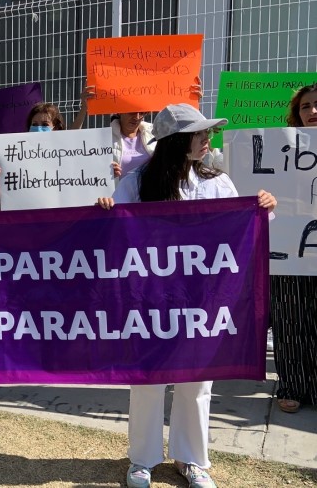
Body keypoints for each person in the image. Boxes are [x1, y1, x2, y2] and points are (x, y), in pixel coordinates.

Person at [96, 103, 277, 488]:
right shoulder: (137, 182)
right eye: (199, 133)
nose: (207, 139)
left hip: (203, 299)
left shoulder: (217, 181)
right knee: (148, 379)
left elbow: (244, 226)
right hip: (149, 300)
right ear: (177, 141)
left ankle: (191, 459)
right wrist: (107, 209)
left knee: (198, 382)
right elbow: (113, 233)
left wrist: (264, 208)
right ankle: (142, 460)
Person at [270, 82, 317, 413]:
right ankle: (291, 386)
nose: (312, 110)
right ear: (296, 114)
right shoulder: (279, 149)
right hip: (289, 248)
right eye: (305, 106)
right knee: (290, 317)